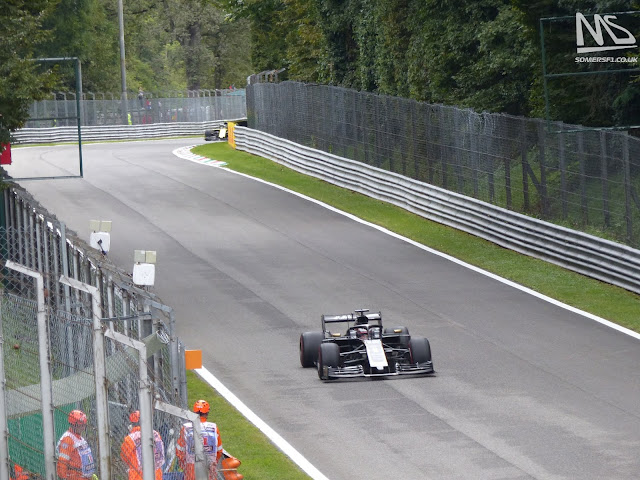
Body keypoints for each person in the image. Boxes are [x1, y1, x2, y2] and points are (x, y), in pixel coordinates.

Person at [176, 400, 222, 480]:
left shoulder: (186, 427)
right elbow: (219, 450)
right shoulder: (214, 427)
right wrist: (213, 462)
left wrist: (184, 466)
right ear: (207, 413)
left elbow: (179, 451)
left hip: (191, 469)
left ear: (194, 412)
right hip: (209, 469)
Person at [120, 410, 166, 480]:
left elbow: (124, 457)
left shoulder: (129, 439)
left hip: (137, 475)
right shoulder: (156, 434)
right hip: (156, 474)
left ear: (131, 425)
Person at [56, 409, 96, 480]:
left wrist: (90, 474)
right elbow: (62, 462)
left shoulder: (79, 438)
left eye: (84, 425)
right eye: (81, 425)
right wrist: (64, 478)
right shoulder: (68, 439)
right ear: (74, 425)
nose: (83, 427)